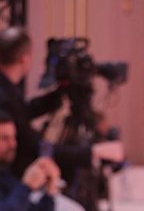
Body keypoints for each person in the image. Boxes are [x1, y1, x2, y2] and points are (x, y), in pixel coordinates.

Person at [0, 26, 123, 186]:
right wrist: (91, 153)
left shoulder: (7, 90)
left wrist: (58, 95)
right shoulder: (5, 96)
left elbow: (21, 112)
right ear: (25, 58)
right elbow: (30, 145)